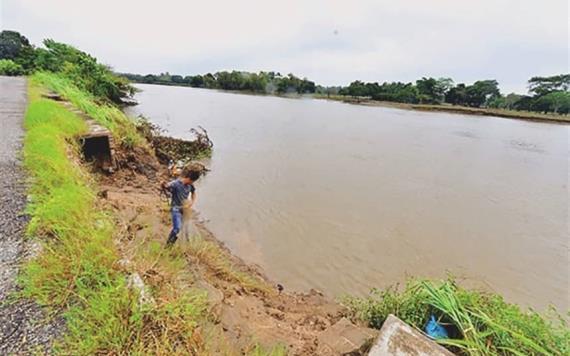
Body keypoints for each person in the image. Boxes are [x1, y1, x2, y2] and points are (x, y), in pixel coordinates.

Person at [163, 168, 201, 245]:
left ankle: (182, 243)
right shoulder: (176, 183)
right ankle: (168, 246)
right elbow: (167, 186)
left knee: (185, 228)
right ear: (189, 178)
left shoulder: (190, 185)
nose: (192, 183)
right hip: (176, 209)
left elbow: (193, 193)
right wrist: (164, 185)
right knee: (177, 228)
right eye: (192, 181)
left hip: (184, 209)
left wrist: (191, 202)